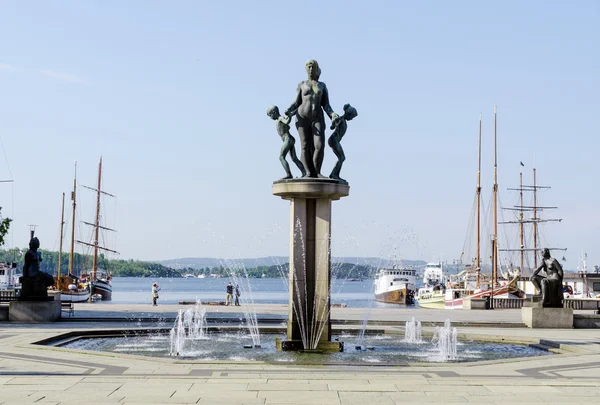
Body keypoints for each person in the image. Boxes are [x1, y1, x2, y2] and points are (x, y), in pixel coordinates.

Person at [285, 60, 339, 178]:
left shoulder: (322, 85)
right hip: (302, 118)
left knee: (319, 146)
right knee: (305, 145)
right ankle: (308, 172)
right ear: (306, 69)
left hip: (317, 118)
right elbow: (296, 102)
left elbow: (326, 105)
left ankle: (317, 172)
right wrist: (289, 110)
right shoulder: (302, 84)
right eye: (309, 67)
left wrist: (333, 114)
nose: (310, 69)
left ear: (317, 69)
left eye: (313, 67)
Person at [266, 105, 306, 179]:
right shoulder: (278, 120)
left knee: (281, 157)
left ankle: (289, 174)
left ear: (274, 113)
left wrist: (290, 116)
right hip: (289, 139)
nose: (270, 117)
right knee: (294, 158)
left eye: (270, 115)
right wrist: (291, 114)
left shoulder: (280, 118)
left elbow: (287, 122)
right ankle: (304, 173)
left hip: (288, 139)